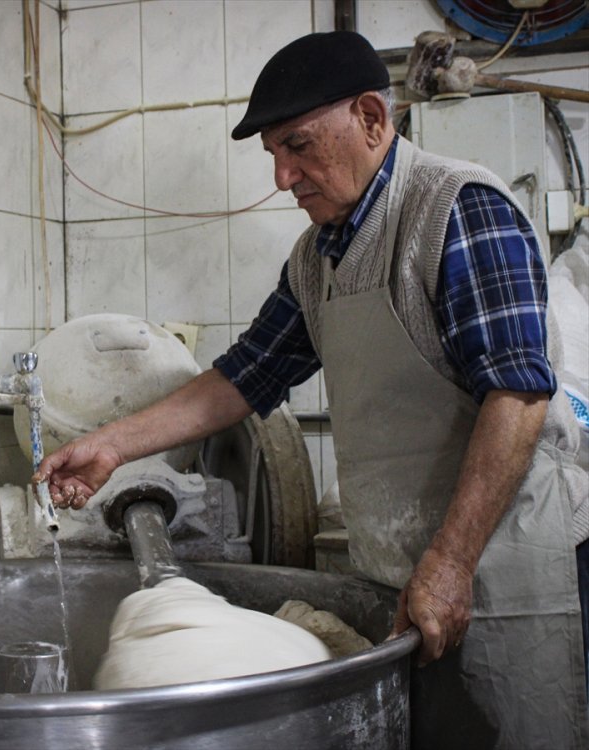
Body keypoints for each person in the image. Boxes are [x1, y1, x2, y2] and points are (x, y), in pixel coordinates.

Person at [34, 30, 588, 749]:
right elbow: (241, 379)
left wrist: (451, 562)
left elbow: (516, 397)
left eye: (297, 146)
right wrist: (110, 447)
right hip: (403, 573)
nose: (282, 176)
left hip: (509, 568)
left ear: (371, 118)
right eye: (273, 154)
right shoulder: (316, 256)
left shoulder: (458, 209)